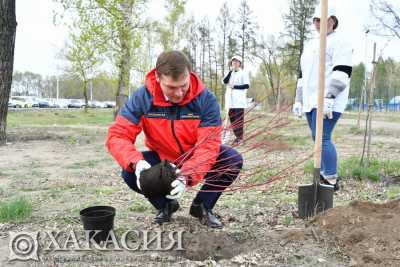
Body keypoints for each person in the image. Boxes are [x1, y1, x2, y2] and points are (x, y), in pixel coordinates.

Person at [106, 51, 243, 228]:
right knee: (130, 172)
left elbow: (208, 146)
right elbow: (117, 135)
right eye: (171, 87)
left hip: (195, 156)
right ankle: (166, 205)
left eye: (183, 85)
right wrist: (136, 163)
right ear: (157, 77)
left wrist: (188, 174)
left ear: (190, 74)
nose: (179, 93)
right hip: (164, 159)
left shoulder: (206, 100)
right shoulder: (143, 98)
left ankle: (202, 206)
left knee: (232, 160)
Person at [293, 5, 352, 191]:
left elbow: (343, 71)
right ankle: (324, 172)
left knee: (322, 137)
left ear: (332, 21)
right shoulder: (311, 44)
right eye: (315, 20)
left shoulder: (340, 42)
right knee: (315, 137)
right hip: (311, 100)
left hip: (329, 100)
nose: (317, 24)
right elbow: (303, 74)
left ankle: (331, 178)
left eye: (321, 19)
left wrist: (329, 96)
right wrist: (298, 98)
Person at [222, 55, 250, 145]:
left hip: (239, 101)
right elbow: (224, 82)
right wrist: (230, 72)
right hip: (230, 101)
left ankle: (240, 138)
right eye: (233, 61)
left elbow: (246, 85)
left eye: (237, 61)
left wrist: (235, 86)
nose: (235, 63)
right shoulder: (229, 73)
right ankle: (237, 137)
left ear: (240, 63)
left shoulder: (243, 73)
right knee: (232, 119)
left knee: (238, 120)